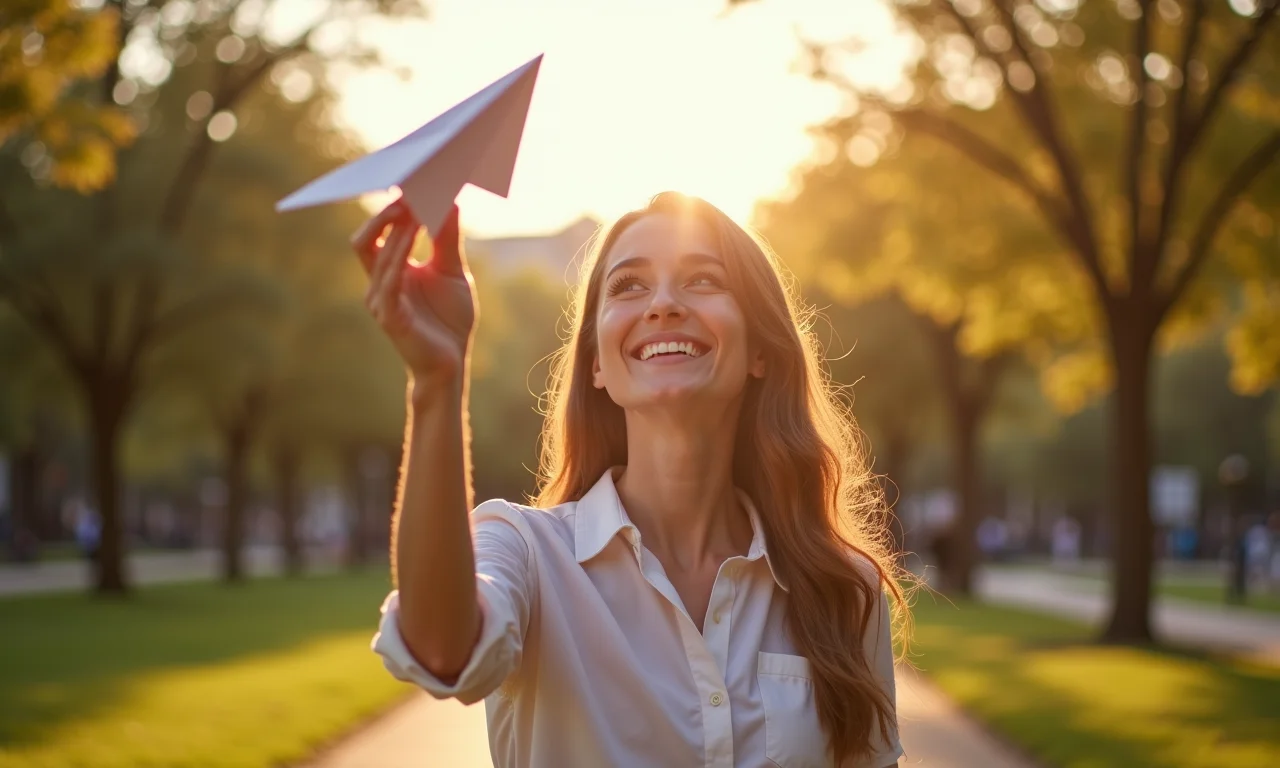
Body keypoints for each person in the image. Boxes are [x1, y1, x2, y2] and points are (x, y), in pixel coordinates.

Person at [355, 191, 912, 767]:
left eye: (702, 280)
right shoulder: (526, 552)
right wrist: (436, 381)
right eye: (628, 286)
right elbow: (442, 649)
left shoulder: (845, 588)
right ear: (596, 362)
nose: (663, 304)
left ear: (759, 351)